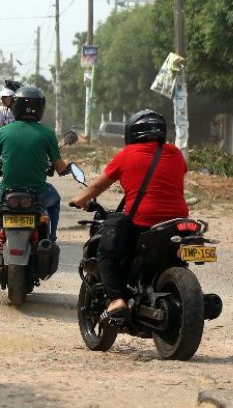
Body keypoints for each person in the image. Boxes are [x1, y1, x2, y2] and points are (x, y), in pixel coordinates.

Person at [70, 109, 188, 319]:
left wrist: (80, 200)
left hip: (143, 220)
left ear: (132, 132)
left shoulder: (127, 155)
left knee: (107, 249)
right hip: (178, 220)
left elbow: (99, 185)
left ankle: (117, 299)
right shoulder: (176, 154)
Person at [0, 86, 71, 242]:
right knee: (55, 199)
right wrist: (67, 167)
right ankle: (51, 238)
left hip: (7, 192)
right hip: (38, 193)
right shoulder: (47, 134)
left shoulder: (4, 131)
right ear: (41, 107)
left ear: (16, 106)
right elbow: (61, 167)